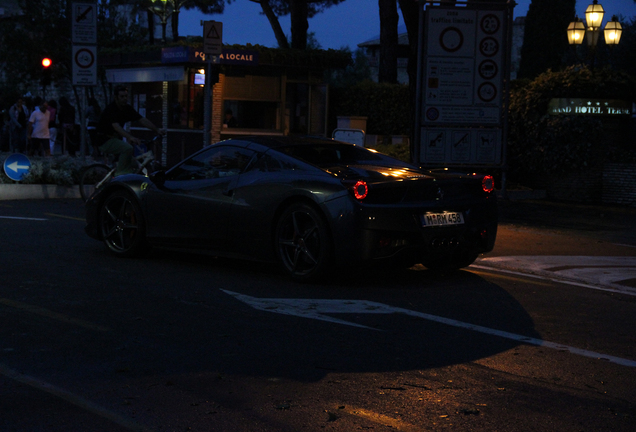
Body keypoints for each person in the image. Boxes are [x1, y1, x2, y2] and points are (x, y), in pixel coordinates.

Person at [96, 85, 165, 176]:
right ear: (116, 98)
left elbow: (141, 119)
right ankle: (119, 175)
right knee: (128, 148)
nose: (125, 99)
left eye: (126, 96)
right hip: (104, 140)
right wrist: (130, 137)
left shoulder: (127, 109)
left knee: (134, 164)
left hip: (115, 139)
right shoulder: (111, 109)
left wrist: (157, 130)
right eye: (122, 96)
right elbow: (116, 126)